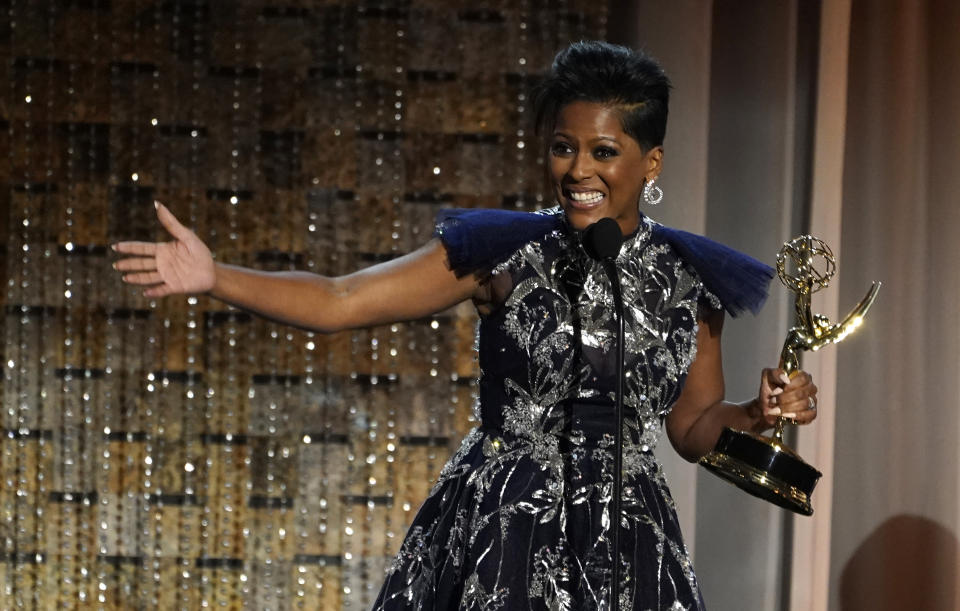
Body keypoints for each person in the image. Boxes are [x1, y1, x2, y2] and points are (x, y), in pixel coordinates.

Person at [113, 41, 818, 611]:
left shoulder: (690, 278)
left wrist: (756, 413)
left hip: (626, 543)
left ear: (650, 161)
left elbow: (691, 428)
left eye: (604, 152)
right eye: (563, 147)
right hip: (500, 531)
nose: (578, 170)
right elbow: (340, 299)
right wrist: (216, 276)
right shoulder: (501, 252)